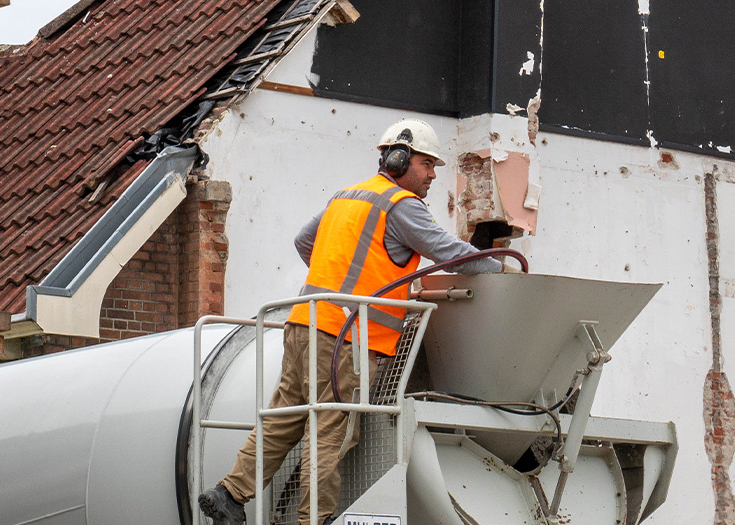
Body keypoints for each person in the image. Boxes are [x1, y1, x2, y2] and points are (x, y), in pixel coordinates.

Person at [199, 119, 513, 525]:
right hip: (346, 337)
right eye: (426, 163)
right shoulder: (402, 205)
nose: (433, 174)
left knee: (285, 417)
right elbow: (446, 250)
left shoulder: (346, 197)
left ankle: (229, 494)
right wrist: (499, 269)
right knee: (328, 430)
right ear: (398, 159)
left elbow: (303, 242)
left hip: (303, 323)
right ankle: (314, 519)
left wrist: (346, 279)